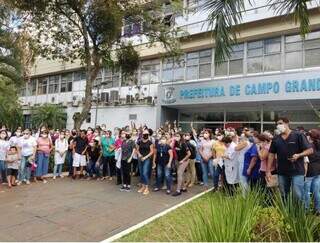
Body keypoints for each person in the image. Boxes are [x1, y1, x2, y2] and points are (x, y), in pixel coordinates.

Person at [267, 117, 313, 202]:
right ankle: (286, 214)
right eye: (277, 124)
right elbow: (271, 154)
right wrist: (268, 170)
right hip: (282, 171)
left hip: (297, 171)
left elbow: (310, 150)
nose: (278, 126)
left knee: (297, 194)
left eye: (280, 123)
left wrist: (299, 155)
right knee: (284, 194)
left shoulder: (298, 135)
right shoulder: (276, 139)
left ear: (287, 123)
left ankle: (299, 214)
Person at [304, 129, 320, 215]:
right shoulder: (317, 145)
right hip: (318, 171)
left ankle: (306, 210)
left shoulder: (309, 146)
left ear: (310, 136)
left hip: (309, 171)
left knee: (306, 191)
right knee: (316, 191)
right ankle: (318, 209)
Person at [137, 129, 154, 195]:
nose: (145, 135)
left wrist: (145, 157)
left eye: (147, 134)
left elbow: (152, 151)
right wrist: (139, 155)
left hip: (147, 159)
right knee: (141, 173)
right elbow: (137, 150)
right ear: (142, 135)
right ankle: (143, 187)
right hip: (140, 158)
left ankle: (147, 188)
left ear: (148, 135)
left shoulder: (150, 142)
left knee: (144, 173)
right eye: (144, 134)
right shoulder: (139, 142)